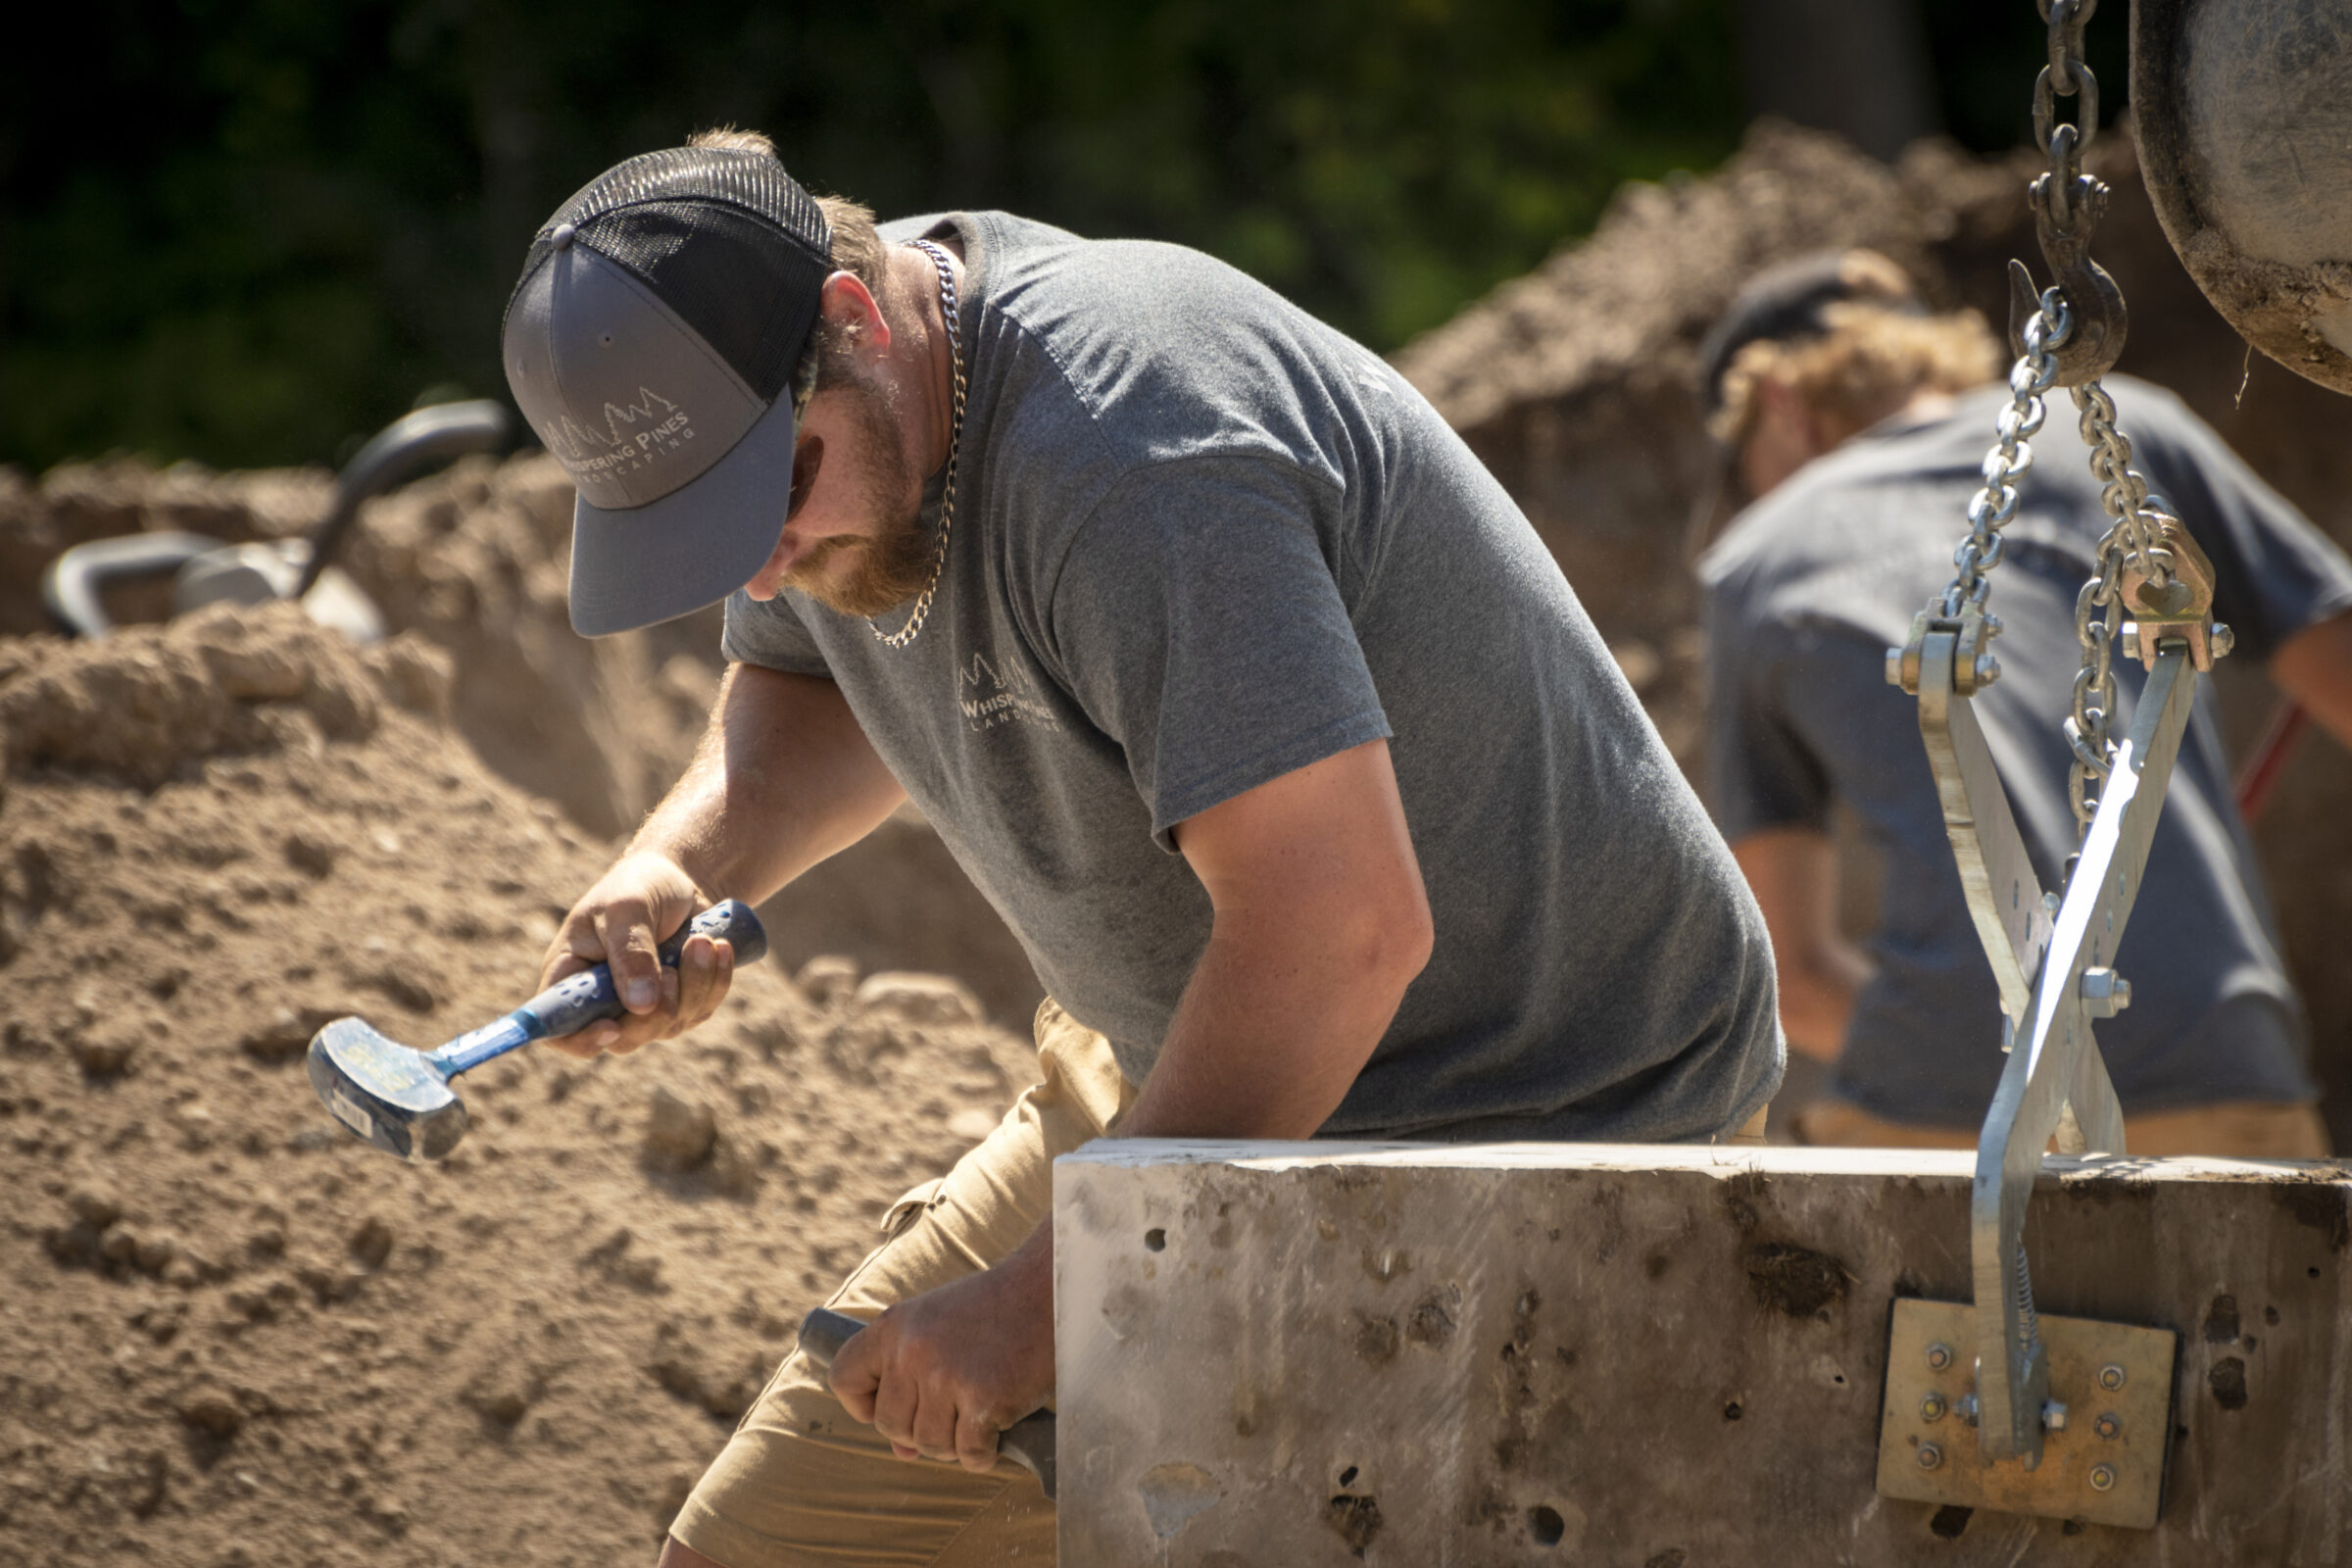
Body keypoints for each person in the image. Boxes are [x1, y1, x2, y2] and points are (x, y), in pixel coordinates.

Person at [501, 130, 1783, 1566]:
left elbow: (1339, 927)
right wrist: (685, 860)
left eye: (774, 498)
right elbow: (806, 677)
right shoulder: (834, 419)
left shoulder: (1133, 454)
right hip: (1187, 1075)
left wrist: (1057, 1302)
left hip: (1534, 1113)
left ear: (854, 323)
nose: (758, 564)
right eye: (708, 533)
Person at [1695, 249, 2352, 1157]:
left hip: (1943, 1104)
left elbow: (1795, 980)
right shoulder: (2128, 429)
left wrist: (1968, 1053)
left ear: (1779, 404)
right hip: (2214, 1051)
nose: (1752, 495)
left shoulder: (1752, 563)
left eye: (1743, 468)